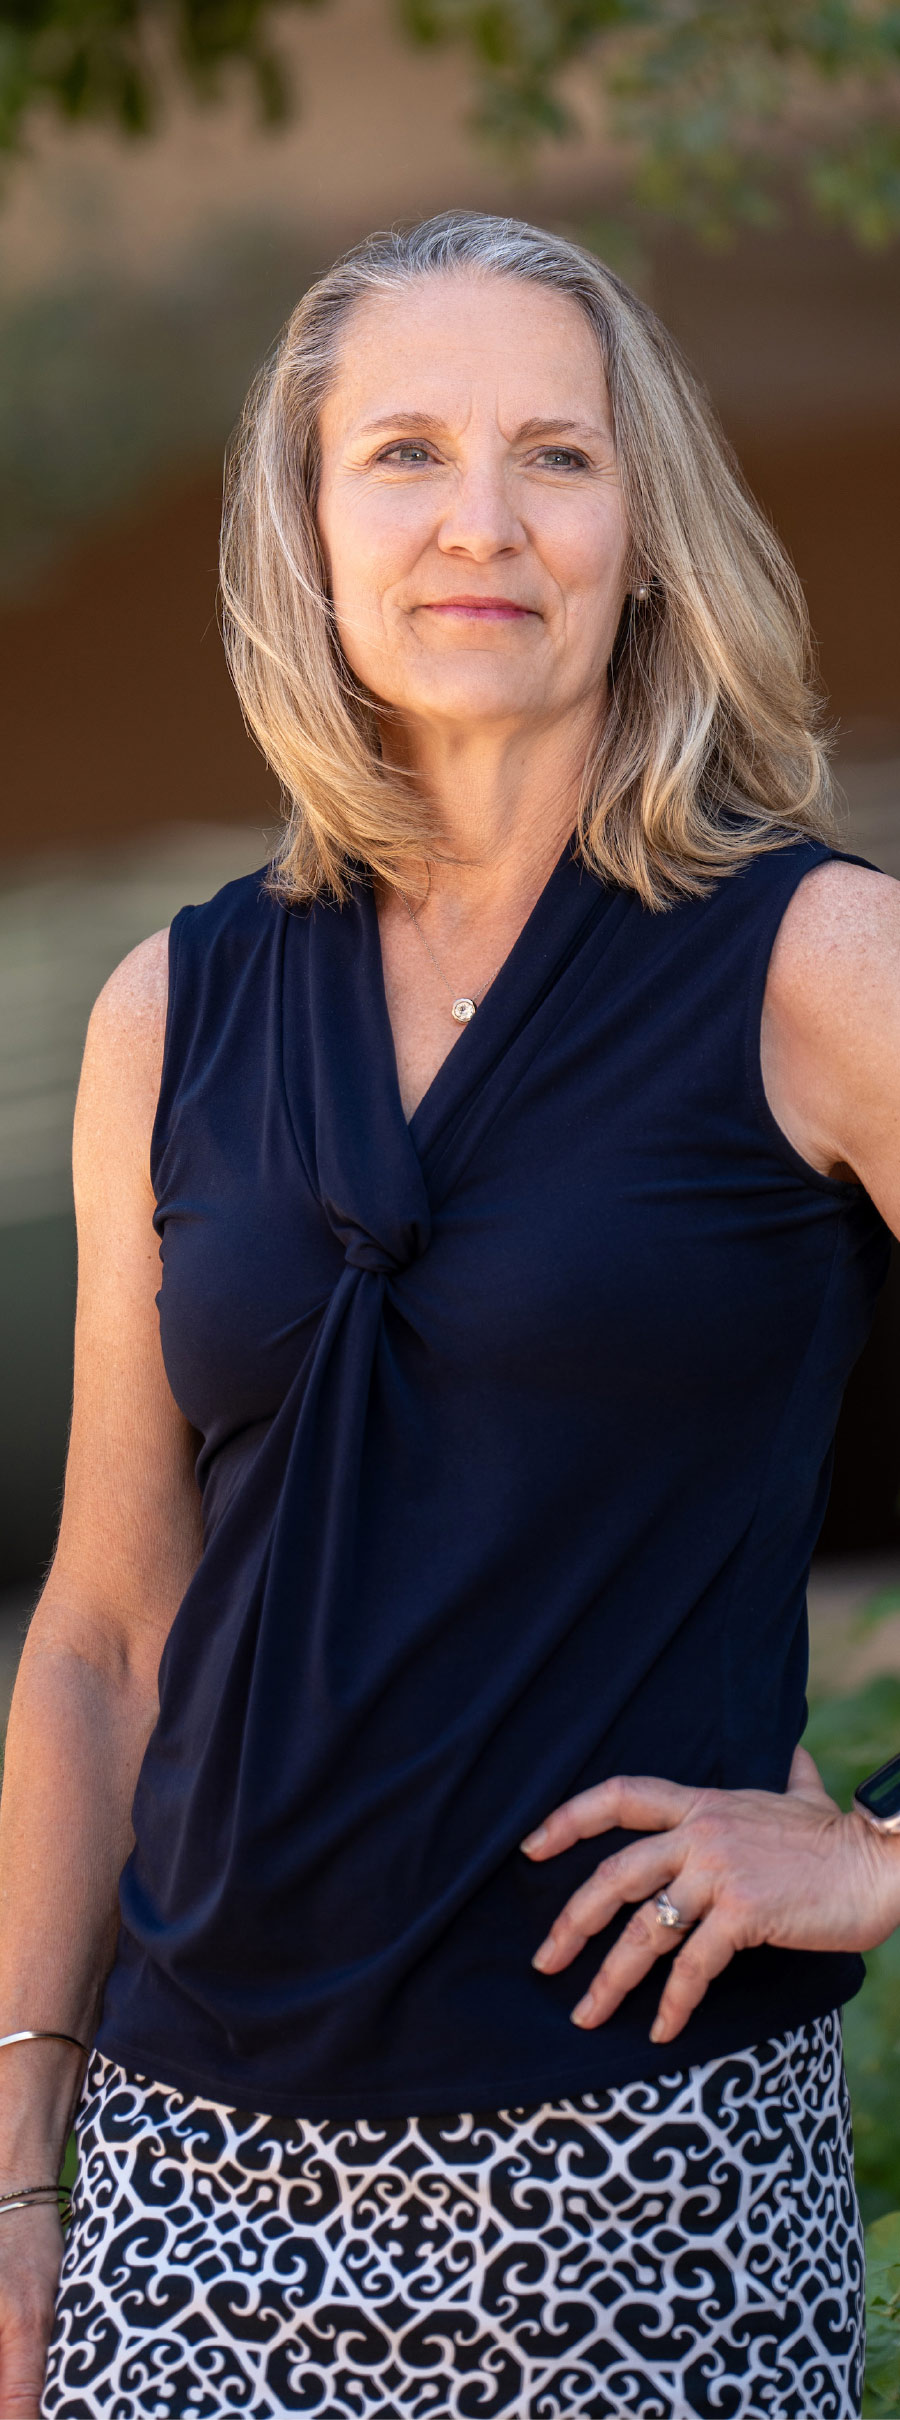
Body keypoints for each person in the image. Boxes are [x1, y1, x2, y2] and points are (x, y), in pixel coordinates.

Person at [0, 210, 898, 2420]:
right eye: (403, 452)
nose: (479, 522)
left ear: (646, 531)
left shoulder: (819, 966)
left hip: (647, 2171)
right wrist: (20, 2153)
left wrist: (883, 1847)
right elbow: (110, 1629)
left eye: (556, 457)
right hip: (194, 2181)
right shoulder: (168, 1006)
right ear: (306, 532)